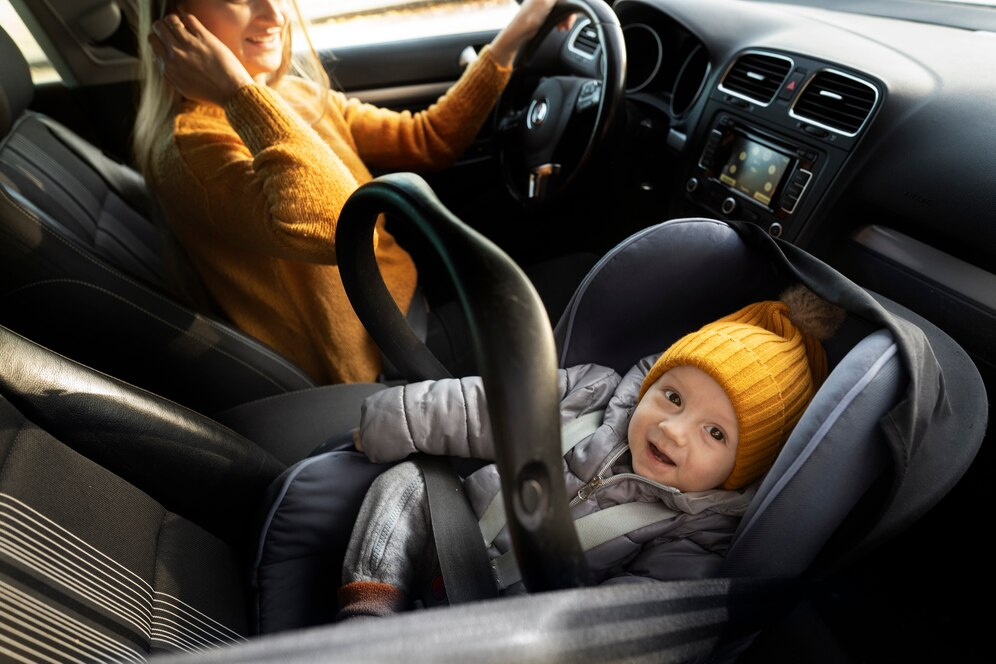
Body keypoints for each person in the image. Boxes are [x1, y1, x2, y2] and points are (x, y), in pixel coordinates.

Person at [132, 0, 583, 384]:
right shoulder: (191, 149)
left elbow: (424, 140)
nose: (274, 15)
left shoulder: (289, 92)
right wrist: (237, 91)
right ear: (175, 19)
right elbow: (337, 226)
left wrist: (515, 35)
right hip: (385, 356)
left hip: (403, 303)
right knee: (593, 283)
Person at [335, 284, 846, 618]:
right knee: (402, 484)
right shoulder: (592, 395)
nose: (673, 430)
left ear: (744, 466)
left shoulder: (698, 531)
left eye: (715, 434)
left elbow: (641, 610)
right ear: (651, 382)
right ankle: (368, 613)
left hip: (505, 627)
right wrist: (391, 419)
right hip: (452, 532)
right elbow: (483, 407)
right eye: (672, 396)